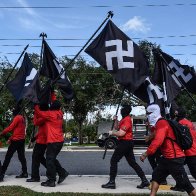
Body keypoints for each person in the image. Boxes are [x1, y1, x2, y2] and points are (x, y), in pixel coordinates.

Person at [140, 104, 196, 196]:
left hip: (174, 159)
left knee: (187, 185)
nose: (147, 116)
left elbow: (158, 141)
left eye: (148, 114)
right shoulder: (161, 123)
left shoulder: (162, 123)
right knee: (156, 176)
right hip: (167, 158)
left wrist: (146, 153)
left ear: (153, 113)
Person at [102, 105, 149, 189]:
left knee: (114, 160)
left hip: (125, 142)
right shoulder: (123, 119)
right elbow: (117, 127)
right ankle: (144, 180)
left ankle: (112, 182)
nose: (120, 111)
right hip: (126, 143)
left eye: (122, 110)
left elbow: (121, 133)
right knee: (132, 163)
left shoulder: (127, 120)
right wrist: (116, 120)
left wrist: (112, 133)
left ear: (124, 111)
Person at [35, 100, 69, 187]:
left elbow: (39, 113)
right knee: (52, 159)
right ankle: (62, 173)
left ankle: (51, 180)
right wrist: (52, 92)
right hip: (59, 141)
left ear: (53, 106)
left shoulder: (50, 114)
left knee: (49, 160)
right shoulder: (60, 113)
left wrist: (35, 105)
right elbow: (55, 102)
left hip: (53, 141)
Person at [171, 108, 196, 192]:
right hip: (192, 149)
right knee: (177, 168)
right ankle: (180, 185)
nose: (175, 116)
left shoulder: (180, 124)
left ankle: (180, 186)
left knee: (193, 171)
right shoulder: (189, 123)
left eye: (176, 115)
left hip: (188, 151)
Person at [0, 107, 28, 181]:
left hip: (16, 141)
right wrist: (10, 138)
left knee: (8, 157)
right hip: (21, 140)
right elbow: (18, 131)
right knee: (22, 157)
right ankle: (25, 172)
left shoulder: (17, 118)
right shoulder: (23, 119)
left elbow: (10, 128)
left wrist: (2, 133)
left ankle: (1, 174)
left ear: (14, 113)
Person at [26, 103, 48, 182]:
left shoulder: (44, 117)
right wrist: (35, 137)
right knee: (40, 158)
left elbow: (35, 122)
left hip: (42, 142)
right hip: (41, 140)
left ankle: (35, 177)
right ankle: (53, 171)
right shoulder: (45, 116)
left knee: (35, 158)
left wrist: (36, 112)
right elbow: (42, 131)